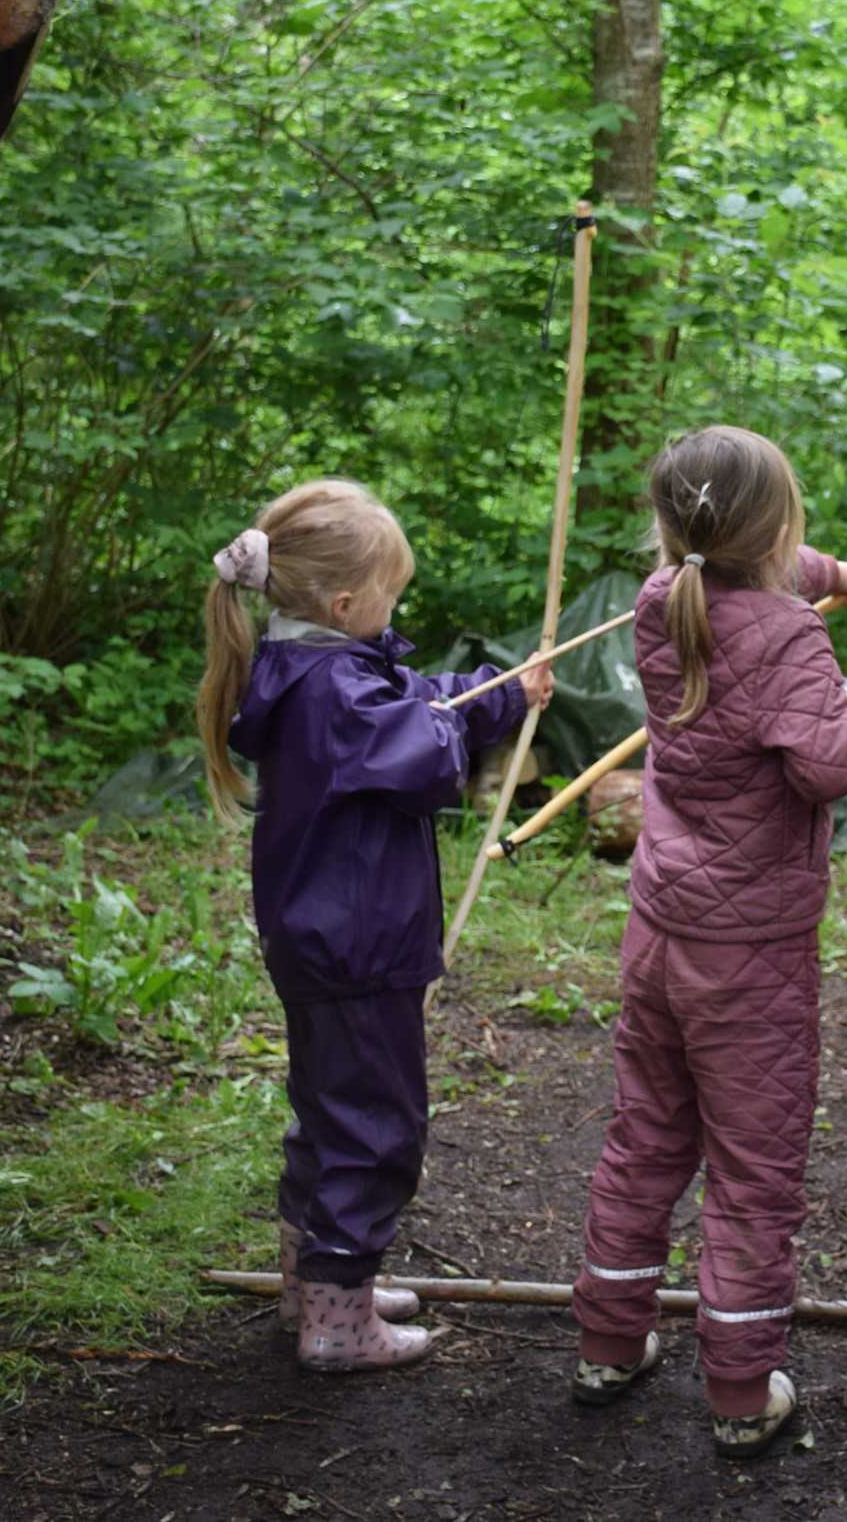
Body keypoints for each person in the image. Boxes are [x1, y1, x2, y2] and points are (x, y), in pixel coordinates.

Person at [568, 426, 847, 1458]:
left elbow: (753, 567)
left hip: (660, 930)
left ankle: (607, 1340)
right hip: (748, 951)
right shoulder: (789, 639)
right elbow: (827, 767)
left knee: (646, 1132)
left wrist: (846, 572)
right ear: (775, 523)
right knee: (754, 1167)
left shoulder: (665, 597)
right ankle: (743, 1389)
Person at [196, 478, 551, 1372]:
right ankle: (338, 1317)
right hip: (358, 944)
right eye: (390, 594)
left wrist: (499, 691)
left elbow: (415, 699)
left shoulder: (309, 667)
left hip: (321, 938)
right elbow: (425, 748)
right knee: (375, 1123)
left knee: (326, 1113)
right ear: (346, 603)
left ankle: (315, 1282)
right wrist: (489, 711)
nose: (396, 609)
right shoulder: (334, 695)